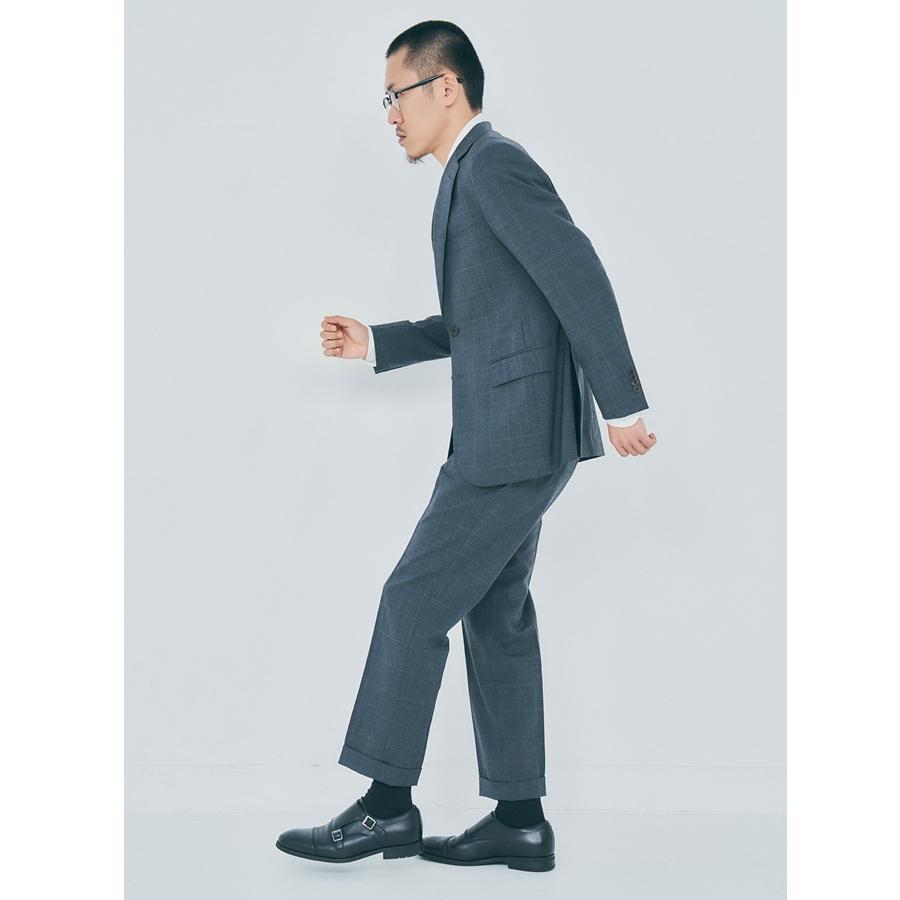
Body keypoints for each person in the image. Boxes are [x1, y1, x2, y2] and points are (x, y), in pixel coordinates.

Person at [276, 19, 657, 872]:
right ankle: (519, 820)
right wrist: (378, 342)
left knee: (411, 601)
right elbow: (478, 321)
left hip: (510, 441)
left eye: (396, 94)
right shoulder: (469, 177)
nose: (389, 114)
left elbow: (578, 273)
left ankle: (386, 808)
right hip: (520, 434)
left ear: (445, 87)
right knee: (495, 613)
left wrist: (623, 402)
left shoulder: (493, 166)